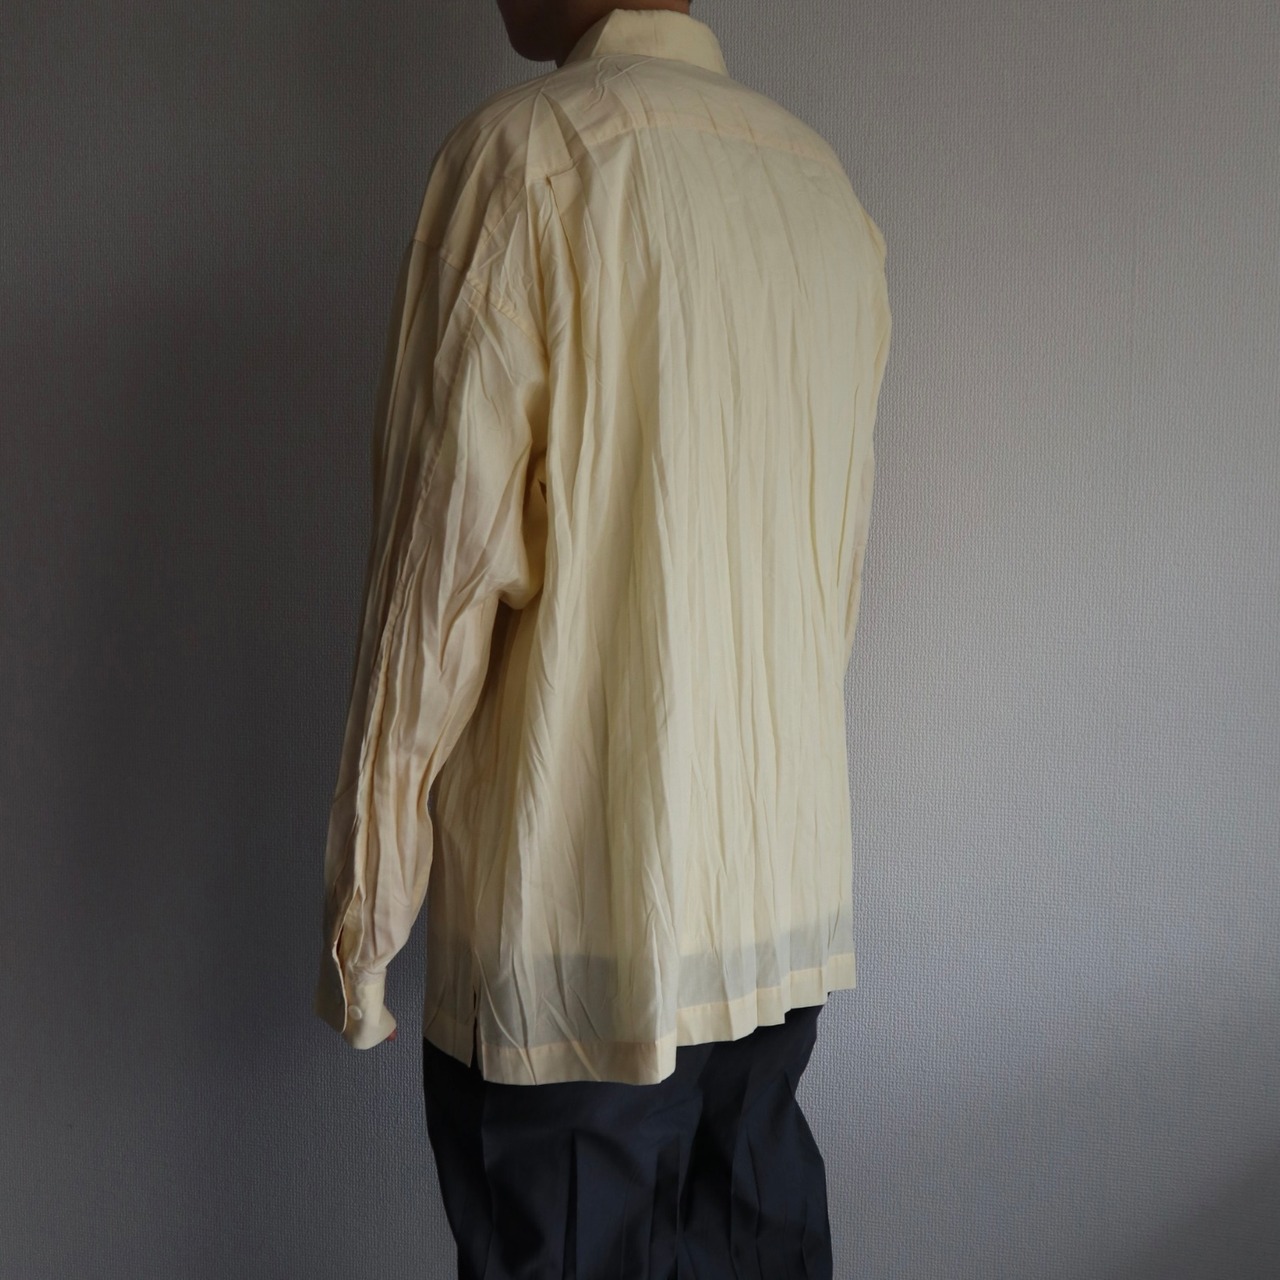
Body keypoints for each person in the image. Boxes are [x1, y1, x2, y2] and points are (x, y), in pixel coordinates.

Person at [314, 2, 891, 1275]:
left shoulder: (523, 161)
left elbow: (430, 592)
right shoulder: (819, 190)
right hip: (770, 921)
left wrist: (365, 917)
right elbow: (825, 585)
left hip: (573, 932)